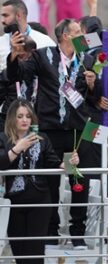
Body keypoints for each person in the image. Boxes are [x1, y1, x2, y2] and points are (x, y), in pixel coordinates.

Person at [6, 19, 103, 249]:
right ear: (65, 36)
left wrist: (92, 85)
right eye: (78, 32)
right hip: (50, 133)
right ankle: (51, 232)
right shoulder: (43, 55)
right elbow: (17, 74)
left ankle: (77, 233)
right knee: (50, 182)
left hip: (75, 135)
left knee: (78, 181)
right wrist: (13, 54)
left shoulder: (87, 59)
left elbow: (96, 99)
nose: (82, 35)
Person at [0, 99, 80, 263]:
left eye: (28, 116)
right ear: (12, 119)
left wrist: (70, 163)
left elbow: (54, 163)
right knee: (19, 252)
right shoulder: (3, 138)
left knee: (35, 252)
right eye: (20, 116)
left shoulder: (42, 138)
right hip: (14, 202)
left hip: (40, 201)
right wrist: (17, 148)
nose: (24, 120)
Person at [0, 0, 56, 72]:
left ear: (18, 15)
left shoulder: (45, 41)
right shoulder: (1, 43)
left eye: (6, 16)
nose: (2, 21)